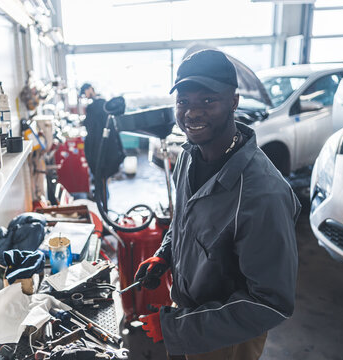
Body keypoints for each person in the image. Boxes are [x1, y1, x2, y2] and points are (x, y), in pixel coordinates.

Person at [136, 50, 301, 360]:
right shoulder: (189, 156)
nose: (191, 113)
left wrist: (178, 329)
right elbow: (185, 220)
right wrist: (165, 254)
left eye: (208, 101)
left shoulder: (262, 193)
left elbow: (270, 304)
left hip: (229, 338)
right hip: (188, 312)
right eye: (183, 102)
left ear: (234, 101)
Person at [79, 83, 125, 206]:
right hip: (106, 145)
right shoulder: (102, 102)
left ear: (90, 89)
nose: (85, 95)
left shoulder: (95, 105)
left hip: (100, 146)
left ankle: (103, 202)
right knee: (101, 176)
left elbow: (90, 125)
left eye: (85, 92)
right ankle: (103, 201)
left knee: (100, 174)